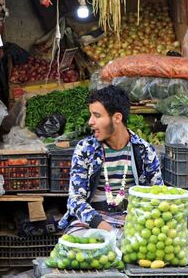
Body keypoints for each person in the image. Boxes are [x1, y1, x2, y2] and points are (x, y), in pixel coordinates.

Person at [60, 86, 163, 236]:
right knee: (77, 246)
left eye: (97, 115)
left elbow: (157, 195)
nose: (90, 121)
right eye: (91, 115)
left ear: (117, 118)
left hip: (134, 220)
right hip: (92, 221)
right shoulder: (85, 149)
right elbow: (75, 200)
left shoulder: (144, 151)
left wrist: (138, 224)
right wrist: (106, 228)